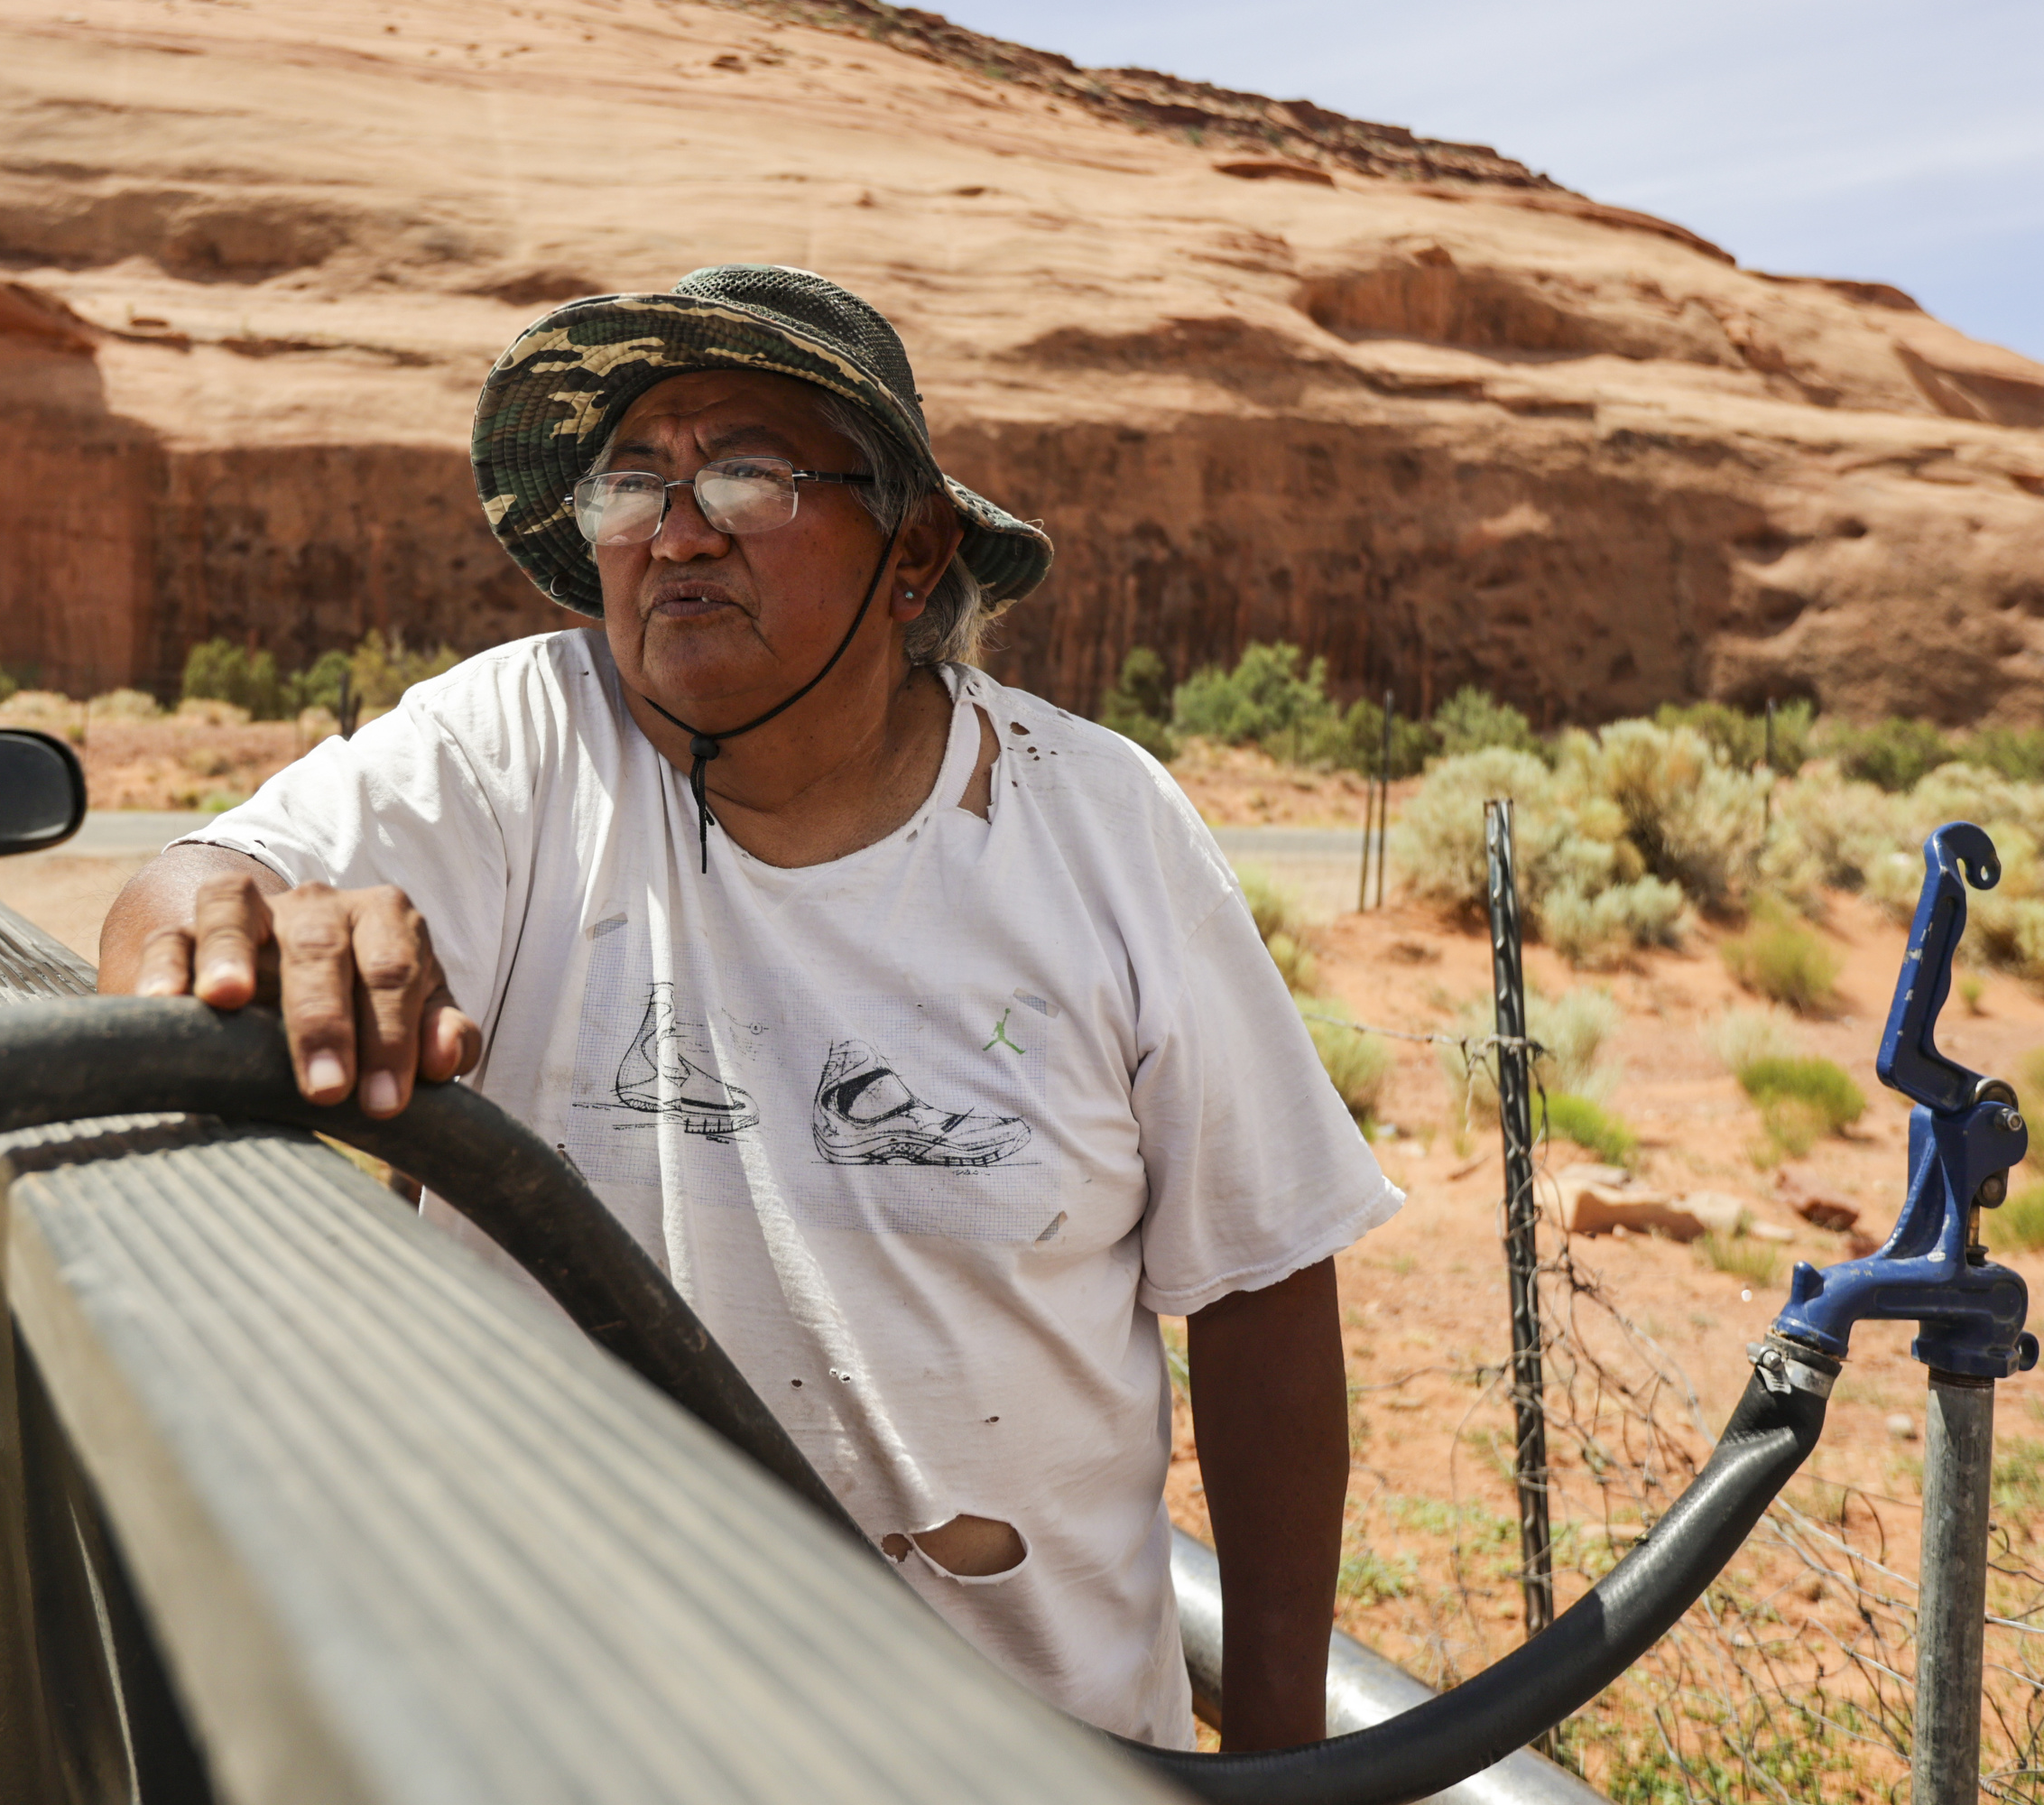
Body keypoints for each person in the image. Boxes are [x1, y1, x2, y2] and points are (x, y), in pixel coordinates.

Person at [99, 264, 1400, 1750]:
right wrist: (241, 920)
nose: (676, 529)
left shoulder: (1097, 822)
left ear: (913, 551)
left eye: (746, 474)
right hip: (560, 1745)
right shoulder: (527, 739)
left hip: (1026, 1753)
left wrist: (1293, 1756)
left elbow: (1260, 1283)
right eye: (632, 484)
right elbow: (187, 890)